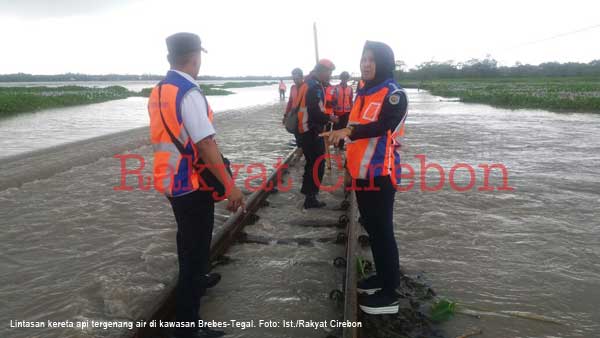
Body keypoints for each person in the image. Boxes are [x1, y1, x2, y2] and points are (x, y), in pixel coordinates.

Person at [148, 32, 245, 338]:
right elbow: (205, 144)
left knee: (186, 239)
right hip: (191, 183)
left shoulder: (160, 90)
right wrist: (230, 186)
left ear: (169, 59)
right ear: (195, 57)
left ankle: (198, 280)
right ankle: (187, 325)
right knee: (195, 250)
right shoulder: (188, 92)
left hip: (169, 178)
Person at [322, 41, 408, 315]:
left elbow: (384, 125)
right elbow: (352, 124)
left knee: (383, 231)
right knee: (371, 226)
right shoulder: (362, 92)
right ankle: (381, 279)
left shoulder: (394, 94)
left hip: (381, 174)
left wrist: (348, 132)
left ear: (383, 62)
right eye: (363, 59)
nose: (366, 64)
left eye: (371, 59)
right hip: (361, 173)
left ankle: (389, 293)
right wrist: (337, 132)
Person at [296, 59, 338, 209]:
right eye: (329, 72)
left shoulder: (307, 83)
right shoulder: (314, 87)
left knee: (311, 163)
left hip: (304, 131)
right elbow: (315, 112)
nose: (330, 76)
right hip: (311, 131)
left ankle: (308, 195)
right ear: (321, 71)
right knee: (318, 164)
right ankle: (311, 198)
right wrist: (330, 118)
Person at [331, 71, 354, 149]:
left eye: (346, 78)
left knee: (344, 130)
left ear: (347, 79)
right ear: (341, 78)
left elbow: (351, 101)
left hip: (346, 113)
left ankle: (341, 146)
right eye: (343, 77)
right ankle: (335, 145)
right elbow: (331, 101)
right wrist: (332, 114)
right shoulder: (335, 88)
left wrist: (352, 112)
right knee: (336, 130)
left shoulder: (350, 89)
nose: (344, 79)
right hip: (337, 113)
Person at [284, 68, 304, 147]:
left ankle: (302, 148)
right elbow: (290, 102)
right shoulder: (293, 88)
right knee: (296, 133)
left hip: (304, 117)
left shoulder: (306, 87)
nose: (295, 81)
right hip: (294, 116)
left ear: (302, 77)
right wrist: (285, 115)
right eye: (294, 79)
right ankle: (299, 147)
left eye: (297, 78)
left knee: (304, 135)